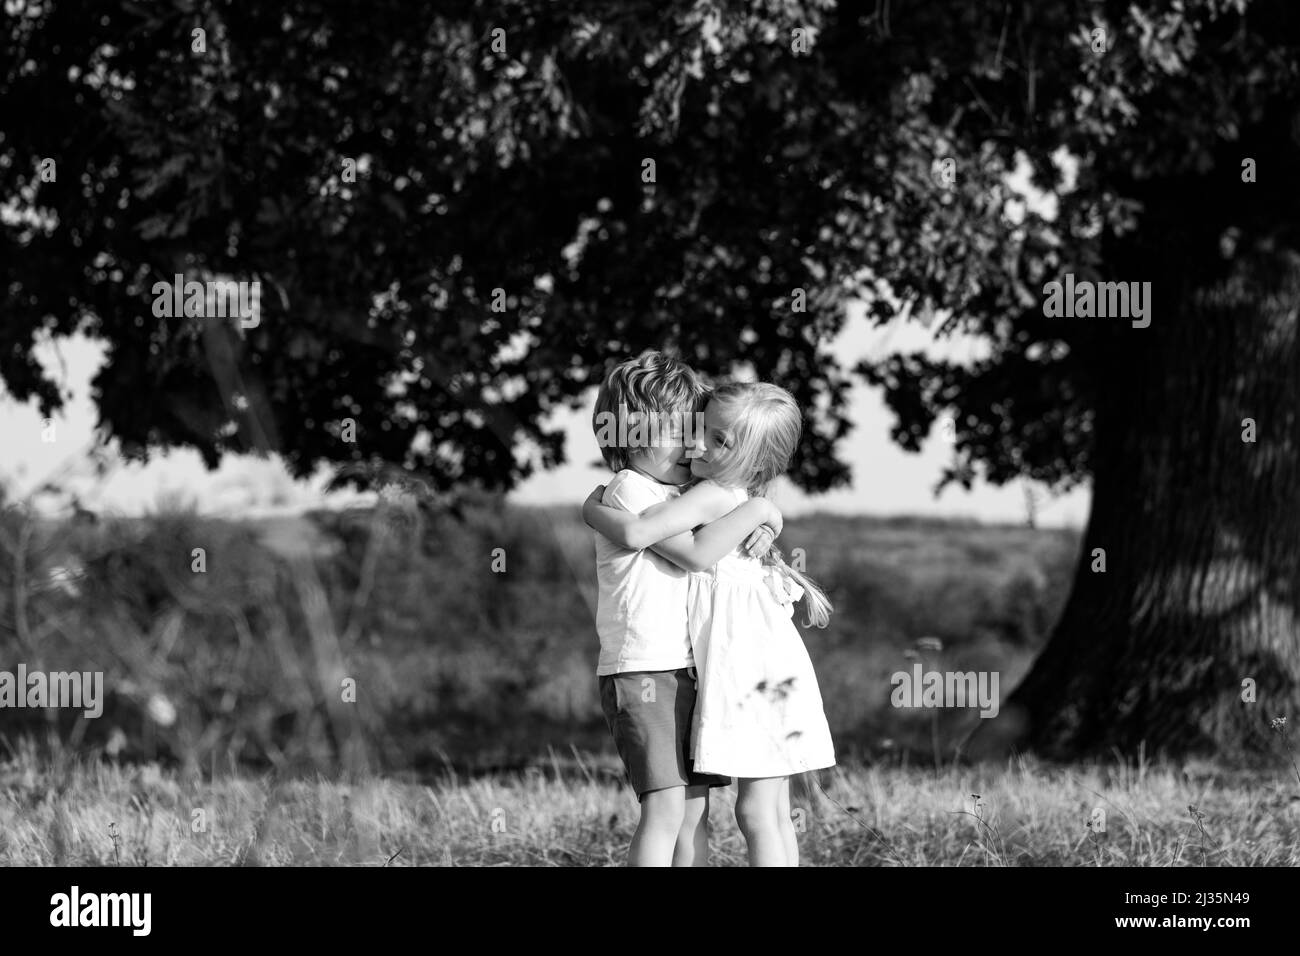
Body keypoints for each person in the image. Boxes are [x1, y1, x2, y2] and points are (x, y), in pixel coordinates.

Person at [583, 381, 835, 866]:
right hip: (768, 664)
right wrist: (762, 510)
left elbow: (658, 539)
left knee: (757, 813)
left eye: (718, 440)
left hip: (744, 666)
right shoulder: (726, 497)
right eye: (699, 431)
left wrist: (593, 511)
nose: (698, 444)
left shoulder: (715, 496)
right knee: (771, 811)